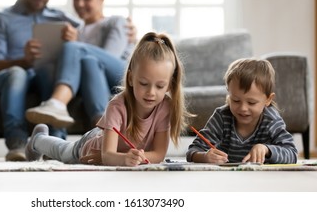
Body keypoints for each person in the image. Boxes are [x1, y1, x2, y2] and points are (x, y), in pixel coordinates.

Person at [0, 0, 136, 161]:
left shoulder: (61, 19)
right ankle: (18, 143)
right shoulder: (0, 19)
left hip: (45, 77)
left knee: (49, 71)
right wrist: (24, 60)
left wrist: (133, 35)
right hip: (11, 77)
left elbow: (89, 34)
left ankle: (55, 143)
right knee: (17, 73)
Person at [24, 32, 193, 166]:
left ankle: (39, 140)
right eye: (143, 83)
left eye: (160, 86)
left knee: (64, 150)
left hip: (113, 147)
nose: (151, 92)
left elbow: (158, 154)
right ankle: (37, 140)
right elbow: (107, 154)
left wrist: (136, 158)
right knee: (64, 151)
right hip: (93, 147)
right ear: (131, 79)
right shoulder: (117, 105)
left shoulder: (165, 108)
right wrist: (125, 159)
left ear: (169, 86)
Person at [25, 0, 134, 131]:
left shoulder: (116, 22)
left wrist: (76, 44)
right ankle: (101, 130)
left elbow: (109, 58)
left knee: (77, 51)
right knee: (88, 62)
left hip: (122, 75)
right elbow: (89, 67)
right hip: (95, 79)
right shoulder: (77, 30)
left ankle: (58, 102)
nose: (80, 3)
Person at [186, 58, 298, 164]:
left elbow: (292, 154)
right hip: (226, 179)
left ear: (268, 99)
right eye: (235, 100)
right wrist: (204, 157)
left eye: (251, 103)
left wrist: (267, 149)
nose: (243, 108)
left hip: (260, 180)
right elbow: (193, 151)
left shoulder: (271, 120)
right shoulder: (222, 117)